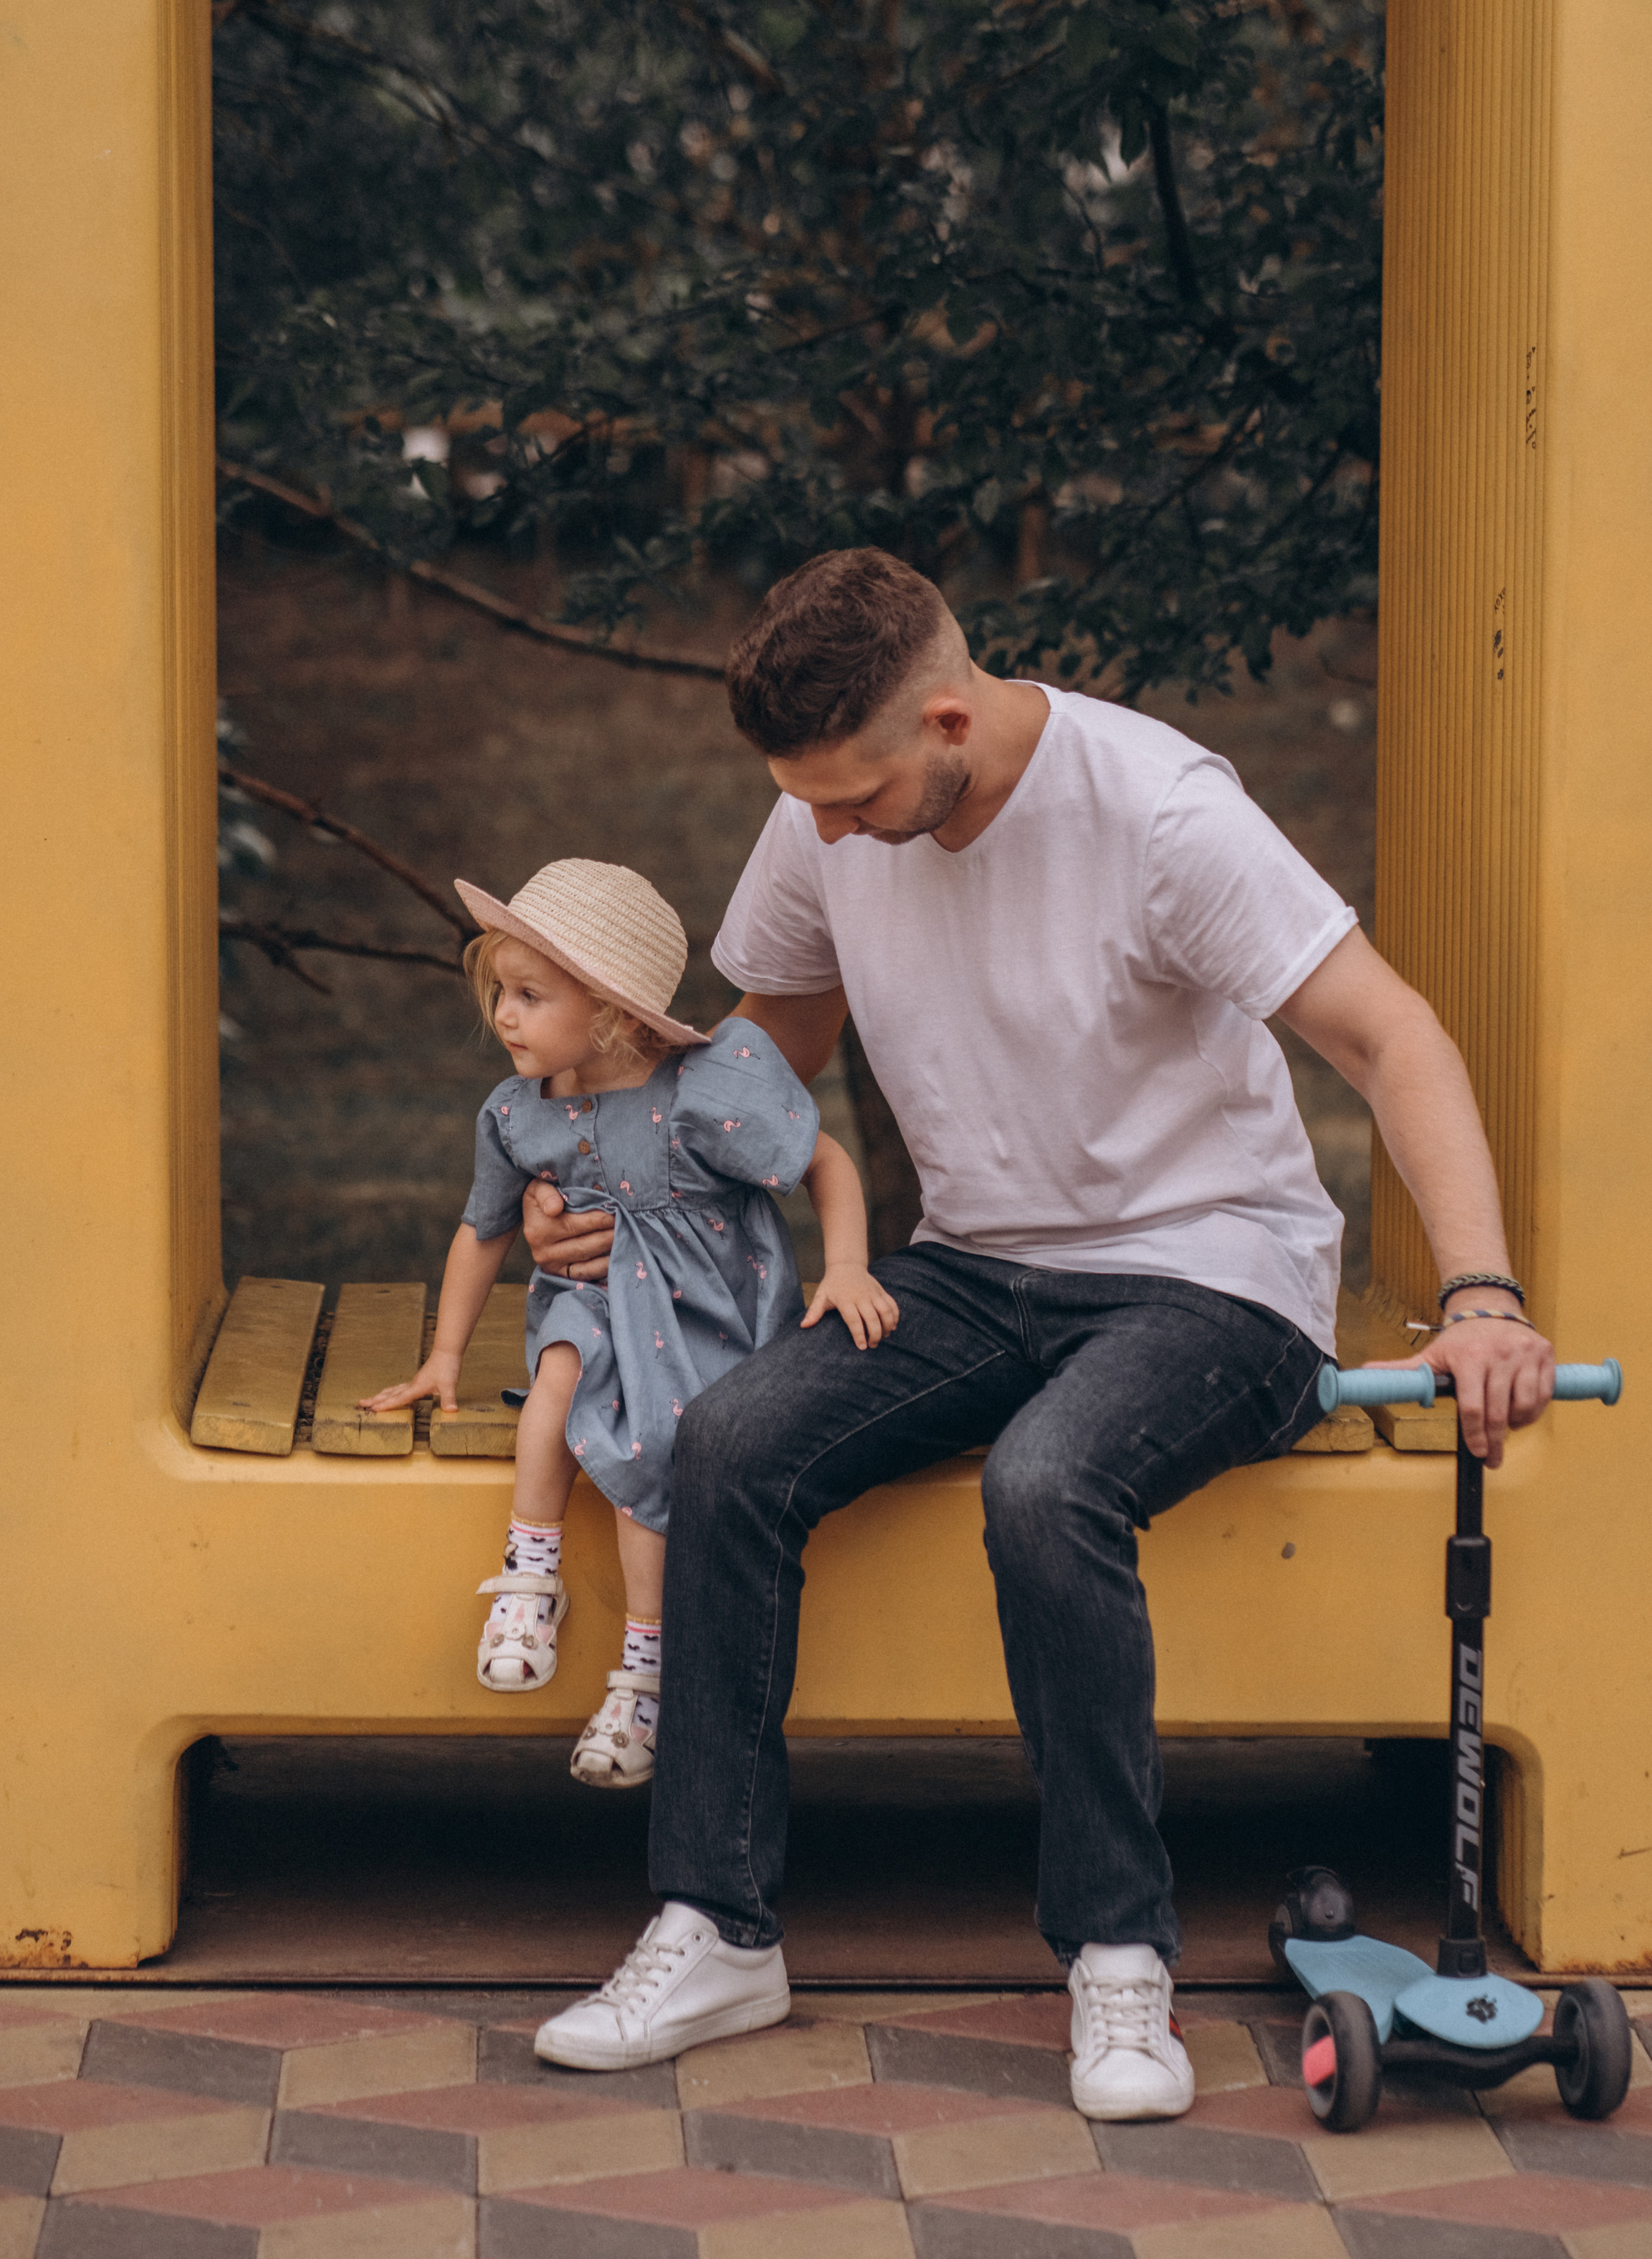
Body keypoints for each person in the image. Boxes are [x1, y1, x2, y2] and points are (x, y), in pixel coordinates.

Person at [520, 550, 1556, 2111]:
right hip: (978, 1266)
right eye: (803, 803)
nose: (824, 833)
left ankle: (1118, 1956)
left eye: (853, 799)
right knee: (727, 1440)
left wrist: (1479, 1293)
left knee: (1048, 1480)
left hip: (1214, 1272)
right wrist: (612, 1182)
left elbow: (1386, 1032)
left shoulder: (1162, 812)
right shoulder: (826, 813)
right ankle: (718, 1926)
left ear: (948, 719)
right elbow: (769, 1043)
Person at [362, 854, 894, 1790]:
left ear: (609, 1010)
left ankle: (646, 1671)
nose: (505, 1016)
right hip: (599, 1302)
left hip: (709, 1320)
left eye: (531, 995)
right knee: (558, 1375)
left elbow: (825, 1160)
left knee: (657, 1446)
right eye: (501, 992)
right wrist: (444, 1354)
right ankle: (531, 1578)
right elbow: (482, 1229)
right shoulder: (519, 1114)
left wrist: (846, 1264)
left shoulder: (701, 1093)